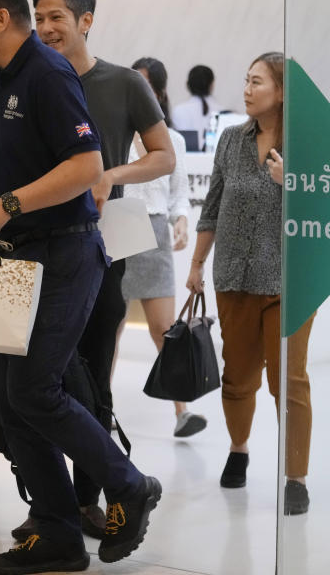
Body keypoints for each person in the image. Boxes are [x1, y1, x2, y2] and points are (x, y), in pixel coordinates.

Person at [0, 0, 162, 574]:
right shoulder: (3, 77)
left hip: (63, 255)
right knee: (5, 394)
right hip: (14, 256)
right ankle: (57, 533)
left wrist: (8, 205)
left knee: (33, 389)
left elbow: (86, 166)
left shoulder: (48, 74)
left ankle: (129, 485)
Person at [31, 0, 175, 538]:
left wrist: (111, 173)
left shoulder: (121, 84)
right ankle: (50, 503)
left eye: (57, 17)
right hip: (37, 247)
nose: (46, 28)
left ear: (86, 21)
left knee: (93, 371)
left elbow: (162, 156)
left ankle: (88, 498)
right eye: (39, 18)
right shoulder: (32, 81)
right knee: (40, 379)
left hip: (101, 244)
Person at [185, 52, 315, 515]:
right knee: (237, 376)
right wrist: (197, 263)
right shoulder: (229, 141)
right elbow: (212, 207)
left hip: (287, 281)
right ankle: (238, 448)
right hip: (234, 277)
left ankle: (295, 476)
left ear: (281, 92)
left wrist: (291, 182)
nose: (247, 89)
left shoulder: (307, 145)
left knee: (290, 381)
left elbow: (326, 212)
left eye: (257, 82)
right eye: (245, 80)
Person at [118, 56, 205, 438]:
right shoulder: (114, 132)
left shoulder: (174, 140)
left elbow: (179, 193)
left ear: (159, 92)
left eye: (146, 86)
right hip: (119, 227)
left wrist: (181, 220)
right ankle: (101, 409)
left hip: (153, 232)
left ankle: (181, 412)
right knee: (110, 328)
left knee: (164, 329)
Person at [171, 65, 221, 150]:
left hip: (187, 160)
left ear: (188, 85)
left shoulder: (178, 111)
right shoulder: (222, 112)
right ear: (212, 85)